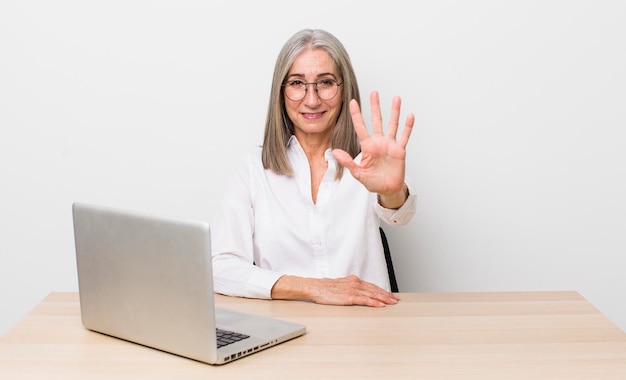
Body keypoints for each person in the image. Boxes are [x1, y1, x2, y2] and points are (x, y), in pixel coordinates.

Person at [211, 28, 417, 308]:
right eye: (297, 83)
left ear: (344, 89)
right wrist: (312, 288)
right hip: (286, 332)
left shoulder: (367, 163)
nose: (312, 99)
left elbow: (399, 215)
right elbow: (220, 268)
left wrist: (393, 193)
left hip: (369, 329)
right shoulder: (252, 171)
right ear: (281, 92)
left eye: (326, 82)